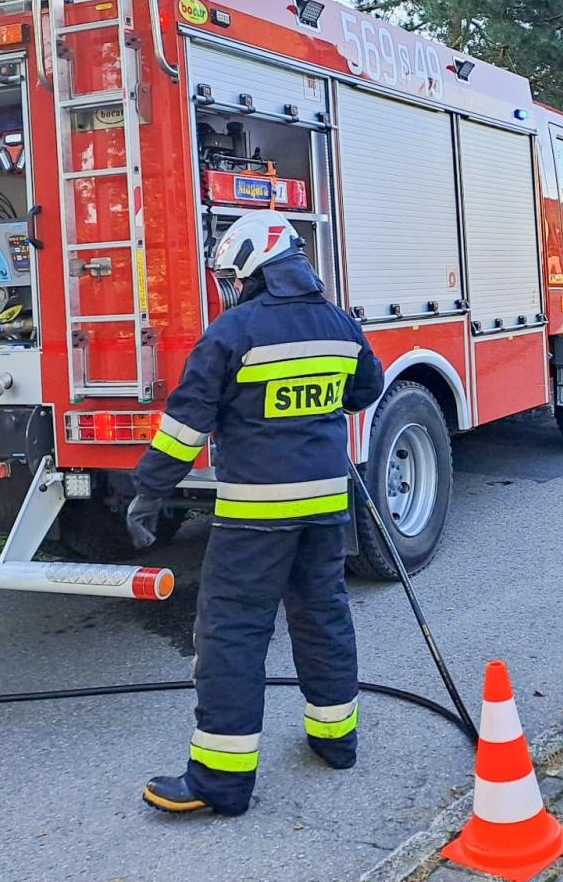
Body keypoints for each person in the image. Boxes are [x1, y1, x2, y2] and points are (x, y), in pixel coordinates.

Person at [127, 210, 384, 817]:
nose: (231, 287)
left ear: (250, 268)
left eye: (232, 276)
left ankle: (220, 781)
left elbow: (185, 425)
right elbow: (364, 390)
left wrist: (149, 491)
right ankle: (335, 740)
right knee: (324, 618)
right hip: (326, 507)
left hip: (255, 516)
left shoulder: (232, 332)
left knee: (233, 634)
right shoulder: (340, 324)